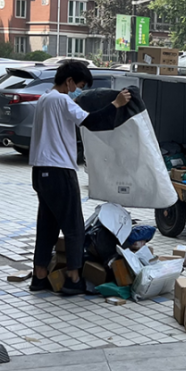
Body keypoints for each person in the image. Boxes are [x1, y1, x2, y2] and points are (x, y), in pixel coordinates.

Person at [28, 61, 130, 295]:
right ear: (69, 81)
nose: (78, 90)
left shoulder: (45, 99)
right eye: (79, 85)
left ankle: (39, 276)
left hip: (40, 171)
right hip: (59, 171)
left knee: (47, 225)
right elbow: (91, 122)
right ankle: (73, 279)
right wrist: (116, 104)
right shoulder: (62, 100)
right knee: (74, 226)